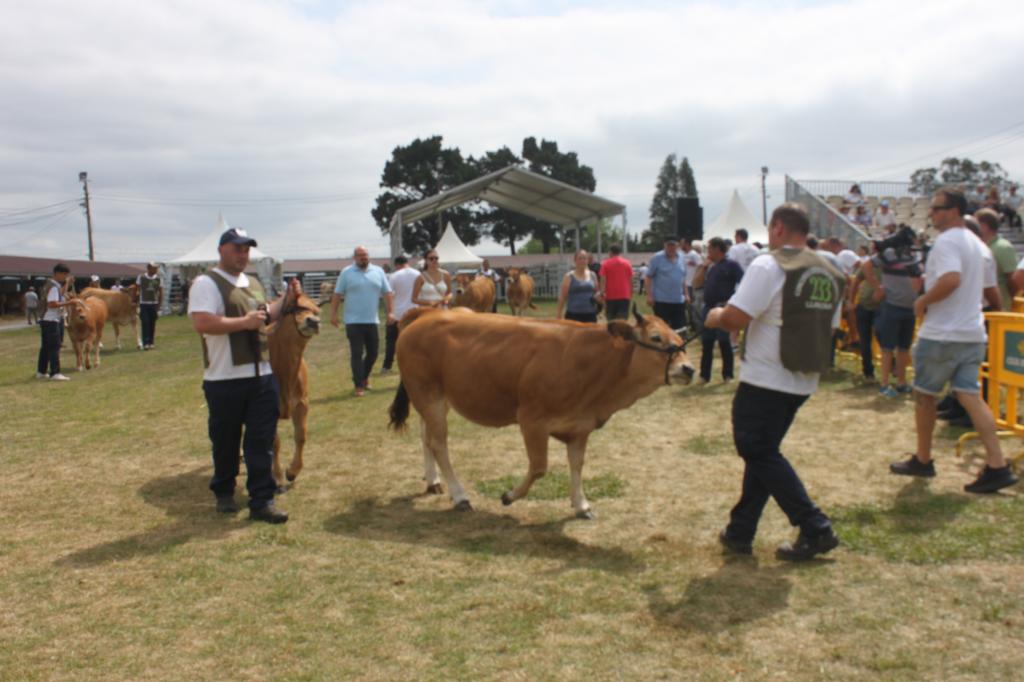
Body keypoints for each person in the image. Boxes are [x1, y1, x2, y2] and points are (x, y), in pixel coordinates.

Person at [706, 203, 844, 561]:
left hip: (767, 377)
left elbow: (735, 317)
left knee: (757, 449)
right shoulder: (830, 269)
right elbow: (831, 325)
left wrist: (714, 315)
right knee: (763, 453)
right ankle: (741, 530)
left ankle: (814, 525)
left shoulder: (769, 265)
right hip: (803, 376)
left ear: (779, 227)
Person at [889, 187, 1018, 494]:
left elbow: (950, 279)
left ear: (955, 211)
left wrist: (922, 302)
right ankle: (998, 465)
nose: (932, 214)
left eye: (937, 208)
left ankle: (923, 458)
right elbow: (992, 294)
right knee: (971, 397)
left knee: (924, 396)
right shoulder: (979, 246)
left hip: (943, 333)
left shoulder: (947, 242)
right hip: (972, 332)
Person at [188, 228, 298, 523]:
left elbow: (263, 316)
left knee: (262, 439)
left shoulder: (252, 282)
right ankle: (224, 491)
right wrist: (243, 322)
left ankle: (262, 500)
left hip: (261, 375)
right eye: (237, 248)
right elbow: (202, 322)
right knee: (225, 440)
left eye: (247, 249)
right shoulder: (206, 283)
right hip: (224, 378)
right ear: (222, 249)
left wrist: (285, 300)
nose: (243, 254)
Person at [331, 246, 394, 398]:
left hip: (372, 320)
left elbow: (387, 293)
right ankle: (359, 385)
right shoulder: (347, 272)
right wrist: (333, 314)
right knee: (357, 353)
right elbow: (337, 294)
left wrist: (391, 312)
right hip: (353, 321)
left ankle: (363, 377)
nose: (363, 258)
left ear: (368, 256)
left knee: (373, 353)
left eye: (365, 255)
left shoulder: (378, 271)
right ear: (354, 258)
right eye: (359, 256)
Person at [863, 245, 921, 396]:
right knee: (887, 348)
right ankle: (885, 384)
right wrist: (878, 288)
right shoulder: (889, 253)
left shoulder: (916, 255)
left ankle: (901, 382)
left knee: (904, 347)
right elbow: (867, 265)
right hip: (892, 306)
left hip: (909, 308)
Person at [699, 237, 743, 383]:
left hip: (723, 307)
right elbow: (696, 283)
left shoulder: (732, 265)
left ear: (718, 249)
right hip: (708, 307)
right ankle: (704, 376)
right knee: (707, 342)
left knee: (724, 342)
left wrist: (733, 301)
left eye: (710, 248)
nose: (708, 251)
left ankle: (727, 375)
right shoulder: (711, 266)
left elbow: (744, 282)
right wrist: (704, 267)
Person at [381, 255, 420, 374]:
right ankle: (415, 365)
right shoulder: (418, 274)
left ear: (397, 265)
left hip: (397, 313)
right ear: (407, 262)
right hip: (414, 312)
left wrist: (389, 312)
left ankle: (387, 366)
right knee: (415, 342)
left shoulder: (394, 276)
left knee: (391, 341)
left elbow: (389, 295)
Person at [36, 264, 74, 381]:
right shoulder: (53, 287)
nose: (65, 277)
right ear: (58, 273)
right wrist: (69, 303)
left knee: (46, 347)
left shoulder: (51, 285)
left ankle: (41, 371)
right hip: (52, 320)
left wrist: (67, 283)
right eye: (64, 275)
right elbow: (52, 303)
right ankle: (55, 372)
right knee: (55, 346)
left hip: (46, 320)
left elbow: (59, 295)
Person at [976, 208, 1017, 310]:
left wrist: (1015, 304)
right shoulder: (981, 247)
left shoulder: (1003, 247)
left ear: (984, 227)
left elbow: (1013, 280)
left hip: (1002, 310)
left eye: (975, 224)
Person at [645, 238, 688, 329]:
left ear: (678, 246)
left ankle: (677, 344)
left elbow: (683, 278)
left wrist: (686, 294)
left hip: (678, 300)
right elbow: (648, 277)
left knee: (680, 329)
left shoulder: (682, 257)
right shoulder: (657, 258)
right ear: (664, 246)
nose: (671, 248)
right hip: (661, 301)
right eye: (669, 246)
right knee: (662, 330)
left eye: (673, 246)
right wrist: (649, 296)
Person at [557, 250, 599, 323]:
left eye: (585, 258)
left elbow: (596, 293)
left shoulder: (593, 275)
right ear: (575, 260)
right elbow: (562, 297)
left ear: (587, 260)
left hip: (590, 314)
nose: (582, 261)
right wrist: (559, 315)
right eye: (580, 258)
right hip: (573, 315)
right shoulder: (569, 276)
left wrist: (600, 298)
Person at [597, 244, 633, 321]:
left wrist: (602, 292)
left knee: (611, 321)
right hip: (624, 295)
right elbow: (630, 280)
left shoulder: (605, 264)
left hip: (610, 296)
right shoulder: (627, 263)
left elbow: (603, 279)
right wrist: (630, 293)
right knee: (622, 322)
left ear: (610, 252)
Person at [137, 262, 162, 350]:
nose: (156, 270)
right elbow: (138, 290)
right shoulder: (141, 277)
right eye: (154, 268)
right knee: (145, 322)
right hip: (144, 303)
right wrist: (136, 304)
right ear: (149, 268)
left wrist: (159, 306)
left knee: (152, 323)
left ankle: (151, 342)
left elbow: (160, 292)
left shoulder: (158, 278)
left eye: (156, 268)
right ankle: (145, 343)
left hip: (154, 304)